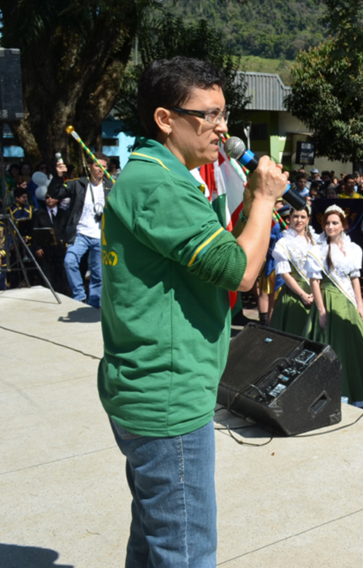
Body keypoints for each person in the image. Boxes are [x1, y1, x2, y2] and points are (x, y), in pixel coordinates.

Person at [99, 57, 288, 568]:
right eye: (208, 115)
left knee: (154, 539)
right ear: (166, 119)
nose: (222, 128)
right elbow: (242, 273)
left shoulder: (153, 173)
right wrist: (266, 200)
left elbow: (215, 258)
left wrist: (251, 200)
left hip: (149, 389)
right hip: (167, 396)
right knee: (186, 551)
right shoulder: (162, 184)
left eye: (224, 114)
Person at [307, 205, 363, 409]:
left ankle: (358, 394)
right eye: (327, 223)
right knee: (332, 347)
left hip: (348, 304)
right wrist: (322, 311)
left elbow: (355, 278)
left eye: (335, 222)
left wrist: (360, 304)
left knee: (354, 347)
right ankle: (330, 393)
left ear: (343, 224)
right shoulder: (318, 250)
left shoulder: (352, 248)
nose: (330, 226)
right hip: (329, 301)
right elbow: (314, 281)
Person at [48, 150, 113, 307]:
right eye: (97, 166)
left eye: (104, 167)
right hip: (80, 233)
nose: (100, 170)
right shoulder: (78, 184)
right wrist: (58, 176)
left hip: (101, 236)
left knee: (98, 274)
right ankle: (79, 295)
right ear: (89, 166)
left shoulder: (110, 186)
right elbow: (55, 192)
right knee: (69, 261)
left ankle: (94, 304)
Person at [271, 205, 316, 337]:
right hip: (294, 295)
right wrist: (302, 294)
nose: (299, 220)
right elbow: (284, 274)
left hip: (316, 294)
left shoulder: (316, 240)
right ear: (289, 218)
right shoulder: (283, 243)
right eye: (295, 216)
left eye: (303, 217)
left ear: (308, 219)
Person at [32, 194, 70, 295]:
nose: (49, 199)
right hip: (45, 247)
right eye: (47, 198)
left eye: (51, 197)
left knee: (60, 271)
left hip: (60, 247)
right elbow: (34, 231)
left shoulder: (64, 214)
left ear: (57, 199)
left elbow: (67, 230)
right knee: (46, 272)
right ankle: (47, 293)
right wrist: (37, 247)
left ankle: (62, 292)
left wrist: (67, 243)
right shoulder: (38, 213)